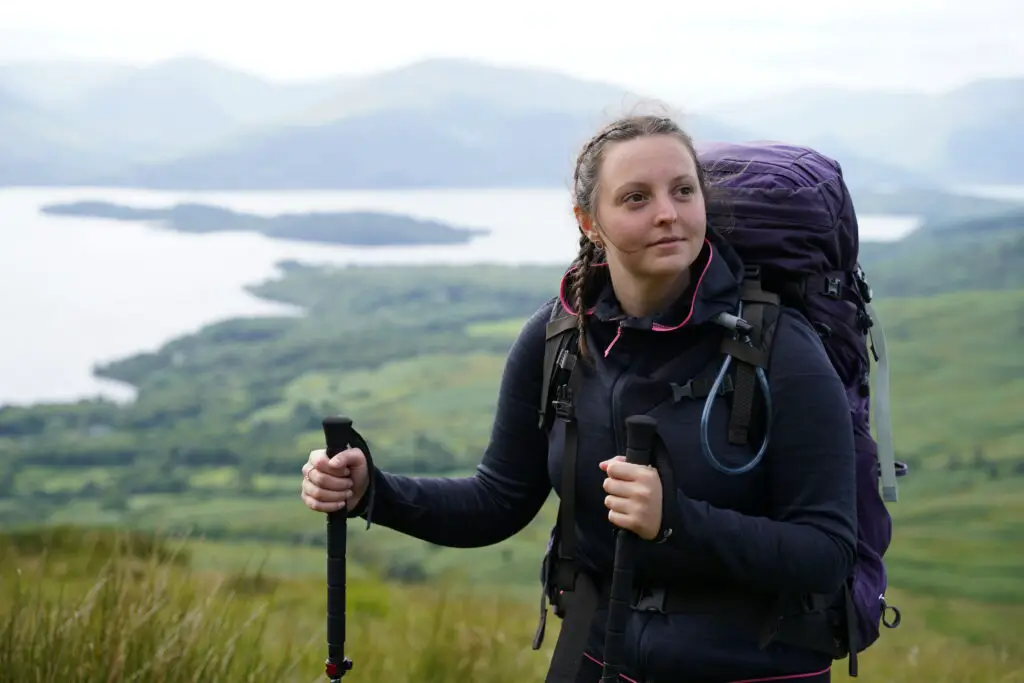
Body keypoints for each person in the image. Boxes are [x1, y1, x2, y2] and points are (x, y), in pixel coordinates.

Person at [300, 114, 858, 683]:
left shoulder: (779, 349)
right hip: (595, 658)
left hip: (751, 669)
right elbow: (496, 502)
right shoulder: (560, 338)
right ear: (589, 222)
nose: (668, 212)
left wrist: (676, 521)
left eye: (683, 191)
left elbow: (827, 552)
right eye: (636, 198)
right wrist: (372, 491)